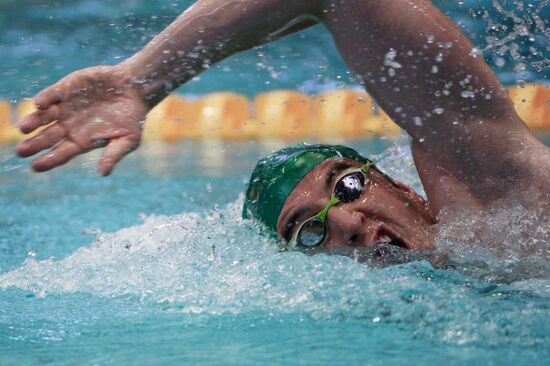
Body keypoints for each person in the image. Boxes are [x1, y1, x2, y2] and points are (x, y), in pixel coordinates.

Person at [15, 0, 550, 252]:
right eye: (307, 231)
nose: (343, 223)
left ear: (403, 185)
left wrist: (143, 79)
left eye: (348, 184)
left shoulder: (505, 204)